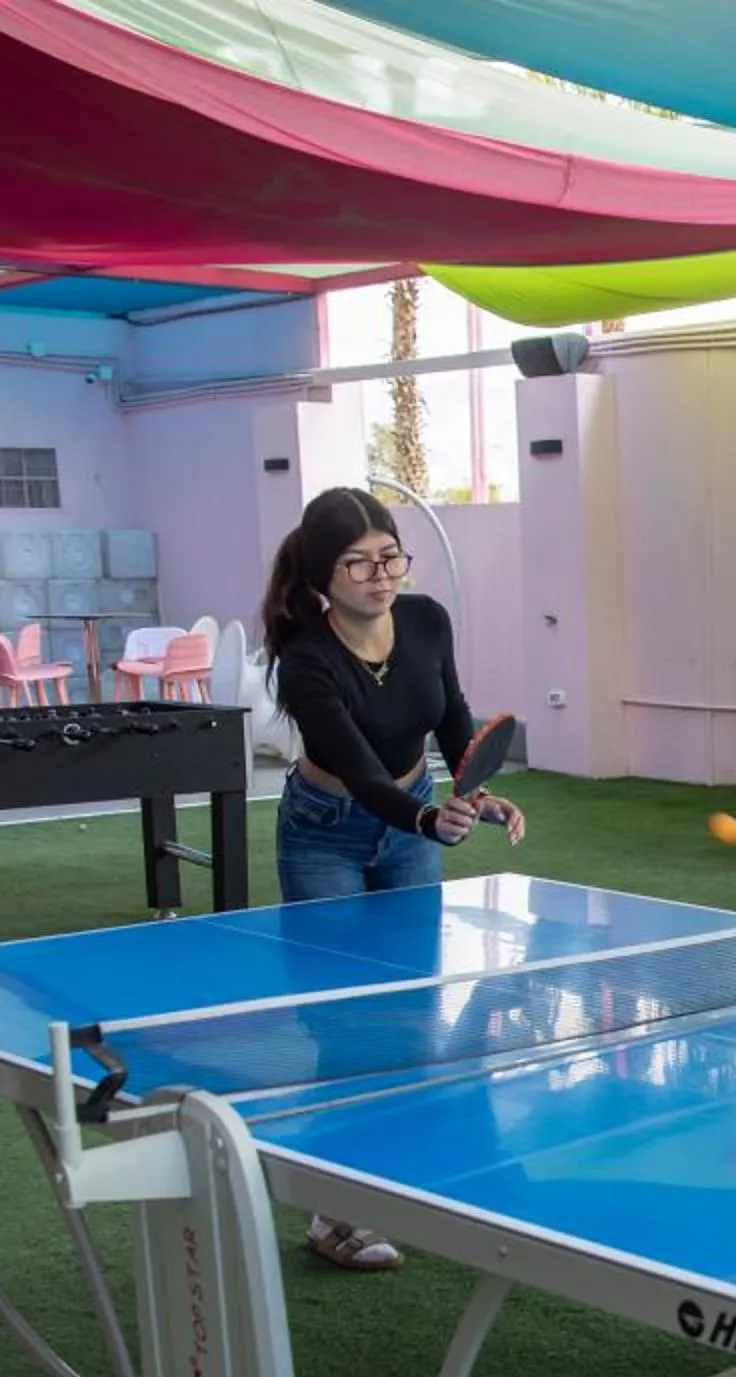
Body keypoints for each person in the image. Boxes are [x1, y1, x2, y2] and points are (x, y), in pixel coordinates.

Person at [263, 485, 523, 1271]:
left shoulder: (427, 620)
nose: (381, 576)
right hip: (326, 831)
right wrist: (425, 820)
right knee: (343, 1025)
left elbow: (454, 719)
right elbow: (359, 770)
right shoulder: (305, 659)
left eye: (390, 558)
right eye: (358, 563)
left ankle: (396, 1179)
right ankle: (332, 1211)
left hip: (411, 821)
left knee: (409, 1011)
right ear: (322, 575)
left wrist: (474, 793)